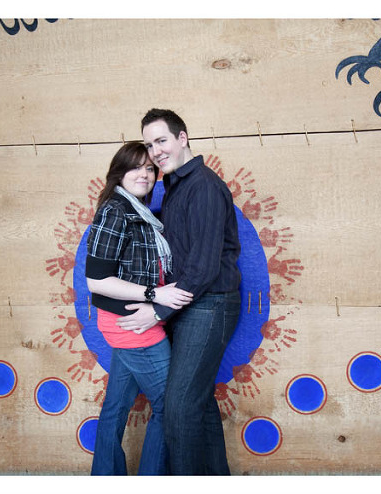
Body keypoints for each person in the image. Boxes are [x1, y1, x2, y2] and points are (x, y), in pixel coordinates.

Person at [117, 109, 242, 475]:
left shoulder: (203, 186)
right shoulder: (175, 186)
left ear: (182, 138)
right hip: (192, 305)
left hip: (210, 305)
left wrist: (157, 311)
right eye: (149, 144)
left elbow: (203, 269)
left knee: (180, 409)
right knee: (199, 405)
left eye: (162, 140)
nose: (155, 151)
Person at [86, 142, 194, 475]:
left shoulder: (139, 213)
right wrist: (155, 294)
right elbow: (96, 280)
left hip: (130, 321)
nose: (144, 174)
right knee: (168, 408)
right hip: (133, 324)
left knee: (116, 407)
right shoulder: (115, 211)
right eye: (135, 167)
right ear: (119, 173)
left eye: (149, 168)